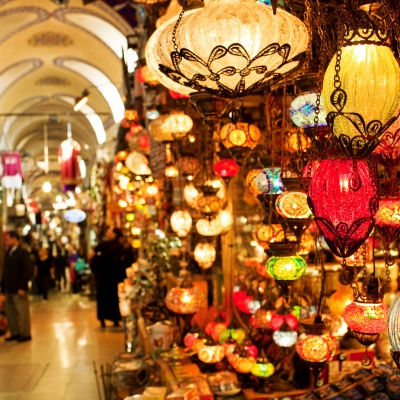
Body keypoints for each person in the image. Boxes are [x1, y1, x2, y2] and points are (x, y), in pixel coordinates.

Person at [90, 227, 125, 328]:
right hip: (115, 277)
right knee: (114, 298)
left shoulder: (103, 245)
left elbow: (91, 254)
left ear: (114, 234)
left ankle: (102, 319)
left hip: (103, 277)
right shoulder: (119, 246)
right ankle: (115, 319)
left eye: (109, 231)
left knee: (103, 297)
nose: (107, 232)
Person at [1, 231, 33, 342]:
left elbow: (27, 271)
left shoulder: (22, 253)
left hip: (18, 288)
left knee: (22, 311)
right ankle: (15, 332)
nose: (7, 241)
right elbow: (5, 271)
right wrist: (3, 287)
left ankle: (25, 333)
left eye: (8, 239)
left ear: (15, 239)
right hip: (9, 288)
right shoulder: (9, 252)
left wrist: (23, 287)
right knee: (10, 311)